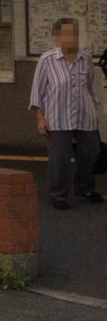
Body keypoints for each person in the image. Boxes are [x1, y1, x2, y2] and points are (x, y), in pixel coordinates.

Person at [29, 17, 103, 210]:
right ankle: (58, 194)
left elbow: (90, 87)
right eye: (68, 34)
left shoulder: (86, 59)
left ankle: (84, 187)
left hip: (84, 115)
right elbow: (38, 91)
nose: (72, 38)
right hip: (57, 117)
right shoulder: (47, 60)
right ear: (58, 37)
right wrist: (40, 117)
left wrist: (95, 112)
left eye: (75, 33)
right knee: (60, 157)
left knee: (91, 151)